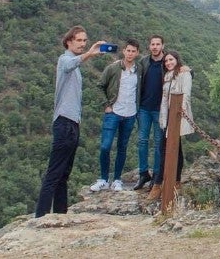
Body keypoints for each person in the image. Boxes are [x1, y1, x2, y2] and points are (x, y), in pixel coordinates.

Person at [34, 26, 106, 217]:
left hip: (73, 123)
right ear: (69, 42)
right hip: (64, 122)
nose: (83, 44)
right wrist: (90, 54)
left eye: (85, 41)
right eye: (79, 40)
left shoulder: (75, 66)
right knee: (54, 173)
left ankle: (60, 214)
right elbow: (69, 64)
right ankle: (40, 217)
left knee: (64, 174)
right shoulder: (64, 60)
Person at [91, 38, 140, 191]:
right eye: (128, 50)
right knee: (105, 146)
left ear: (137, 53)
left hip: (130, 113)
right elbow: (99, 86)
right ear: (123, 51)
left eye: (133, 51)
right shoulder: (113, 68)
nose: (130, 53)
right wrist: (106, 105)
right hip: (113, 112)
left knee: (122, 147)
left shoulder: (139, 70)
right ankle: (103, 179)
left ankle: (117, 179)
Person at [150, 50, 193, 194]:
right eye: (166, 61)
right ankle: (176, 181)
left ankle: (158, 184)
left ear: (177, 60)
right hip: (166, 117)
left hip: (177, 117)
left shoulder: (184, 74)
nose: (168, 63)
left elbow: (186, 93)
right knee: (176, 149)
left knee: (165, 149)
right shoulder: (167, 75)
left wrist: (180, 109)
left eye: (171, 60)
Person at [133, 35, 166, 190]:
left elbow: (180, 69)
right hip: (144, 108)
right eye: (152, 44)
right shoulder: (143, 62)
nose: (154, 47)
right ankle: (143, 173)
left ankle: (157, 176)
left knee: (159, 143)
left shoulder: (167, 62)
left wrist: (189, 70)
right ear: (149, 46)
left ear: (162, 46)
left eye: (157, 44)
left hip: (160, 110)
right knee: (142, 141)